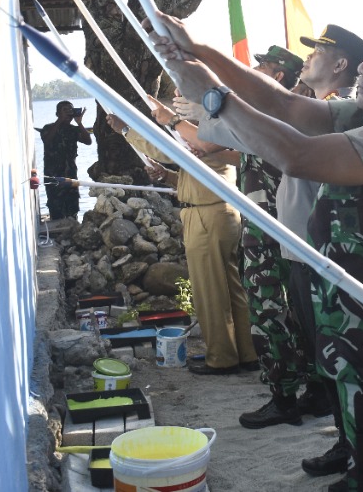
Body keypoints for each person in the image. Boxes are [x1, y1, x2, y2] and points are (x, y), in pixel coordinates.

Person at [156, 17, 363, 492]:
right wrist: (203, 52)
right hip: (358, 324)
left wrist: (213, 97)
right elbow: (283, 105)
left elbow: (295, 154)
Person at [196, 25, 363, 474]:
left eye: (319, 52)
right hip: (300, 252)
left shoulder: (338, 114)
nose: (308, 57)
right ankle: (346, 444)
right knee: (323, 354)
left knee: (339, 357)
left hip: (323, 255)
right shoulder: (317, 111)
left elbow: (266, 134)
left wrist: (206, 84)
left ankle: (357, 449)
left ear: (340, 65)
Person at [109, 108, 259, 376]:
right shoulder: (213, 136)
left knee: (209, 291)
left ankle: (222, 358)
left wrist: (125, 130)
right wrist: (167, 177)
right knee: (229, 288)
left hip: (207, 215)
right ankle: (246, 351)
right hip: (215, 212)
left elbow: (165, 151)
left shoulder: (208, 136)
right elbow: (196, 174)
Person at [224, 45, 311, 427]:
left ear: (278, 76)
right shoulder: (271, 115)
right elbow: (241, 155)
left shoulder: (273, 116)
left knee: (270, 312)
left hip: (271, 230)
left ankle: (284, 396)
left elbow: (210, 141)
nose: (254, 68)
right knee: (285, 312)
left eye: (264, 66)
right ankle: (306, 390)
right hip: (267, 227)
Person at [38, 101, 91, 219]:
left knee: (72, 207)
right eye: (64, 110)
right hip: (53, 175)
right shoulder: (48, 128)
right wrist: (60, 121)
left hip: (70, 174)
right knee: (55, 206)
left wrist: (79, 123)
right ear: (57, 114)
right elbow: (47, 140)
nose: (68, 113)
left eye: (70, 110)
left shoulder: (73, 129)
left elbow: (88, 141)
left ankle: (72, 229)